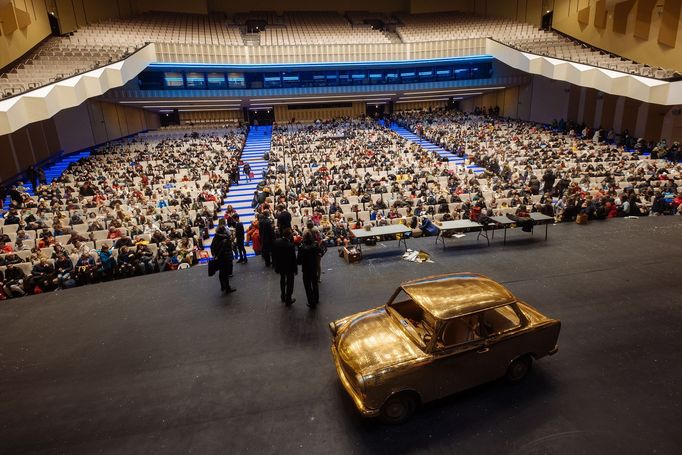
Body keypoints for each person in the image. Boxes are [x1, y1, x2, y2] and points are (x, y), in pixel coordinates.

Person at [273, 227, 297, 305]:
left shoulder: (276, 242)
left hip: (280, 265)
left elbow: (274, 254)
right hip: (289, 267)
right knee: (290, 283)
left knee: (282, 280)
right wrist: (295, 269)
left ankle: (283, 296)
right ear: (289, 236)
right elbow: (293, 259)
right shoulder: (290, 245)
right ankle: (288, 299)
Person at [297, 231, 321, 308]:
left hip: (306, 270)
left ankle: (311, 303)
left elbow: (299, 262)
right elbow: (320, 252)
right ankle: (316, 299)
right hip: (314, 268)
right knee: (315, 284)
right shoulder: (315, 245)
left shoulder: (301, 248)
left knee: (307, 287)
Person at [210, 225, 235, 293]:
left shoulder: (215, 237)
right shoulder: (225, 239)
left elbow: (211, 247)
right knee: (225, 274)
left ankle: (223, 286)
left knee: (221, 273)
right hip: (224, 259)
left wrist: (214, 255)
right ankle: (227, 288)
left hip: (218, 259)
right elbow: (228, 249)